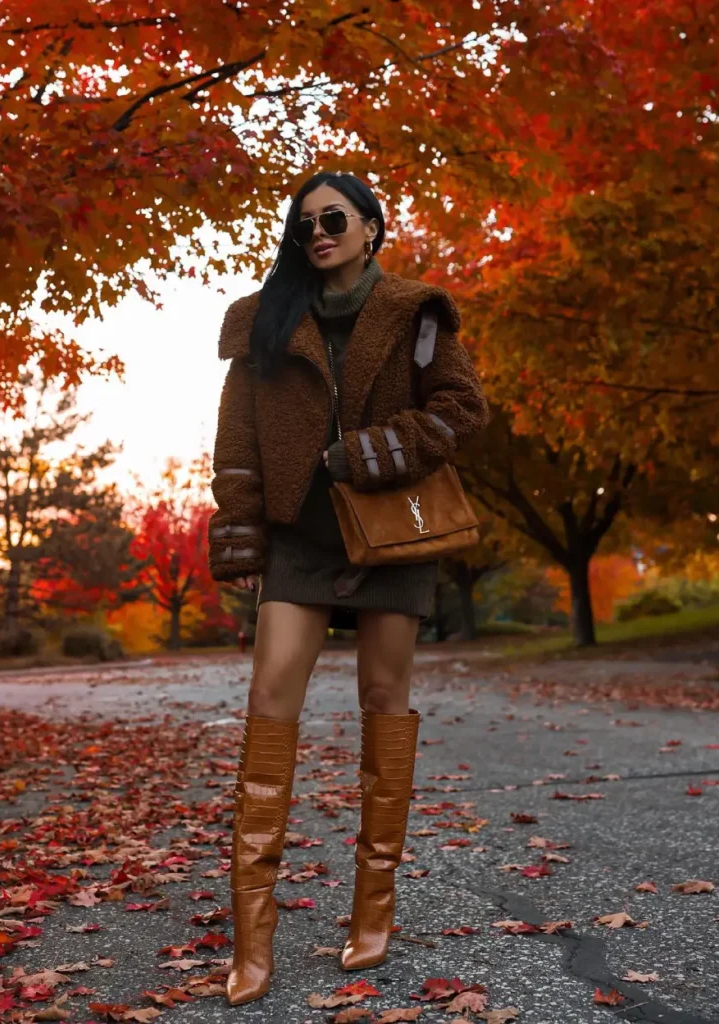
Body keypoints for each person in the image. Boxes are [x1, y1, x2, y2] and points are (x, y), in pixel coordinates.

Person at [207, 170, 489, 1005]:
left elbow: (461, 409)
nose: (319, 234)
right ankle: (252, 945)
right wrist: (244, 529)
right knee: (268, 700)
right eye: (305, 226)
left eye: (334, 219)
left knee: (382, 700)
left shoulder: (416, 313)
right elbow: (236, 441)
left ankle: (373, 913)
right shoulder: (263, 322)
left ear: (371, 226)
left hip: (394, 535)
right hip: (299, 537)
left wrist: (372, 452)